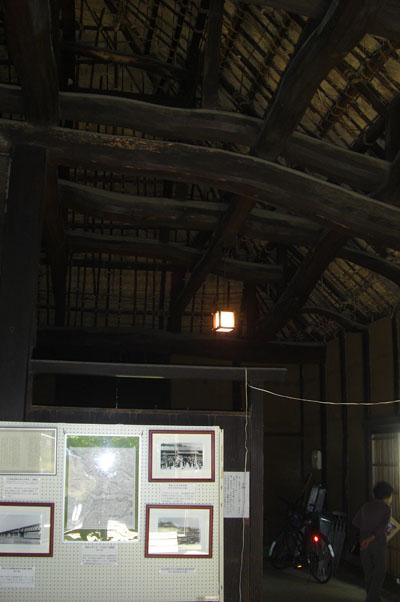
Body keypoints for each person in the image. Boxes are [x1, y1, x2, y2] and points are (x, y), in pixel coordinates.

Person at [352, 481, 393, 602]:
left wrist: (363, 539)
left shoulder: (365, 506)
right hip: (377, 544)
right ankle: (371, 599)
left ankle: (374, 598)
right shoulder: (386, 508)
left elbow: (356, 523)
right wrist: (370, 539)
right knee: (380, 572)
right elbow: (381, 529)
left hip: (363, 544)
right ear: (387, 496)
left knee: (369, 573)